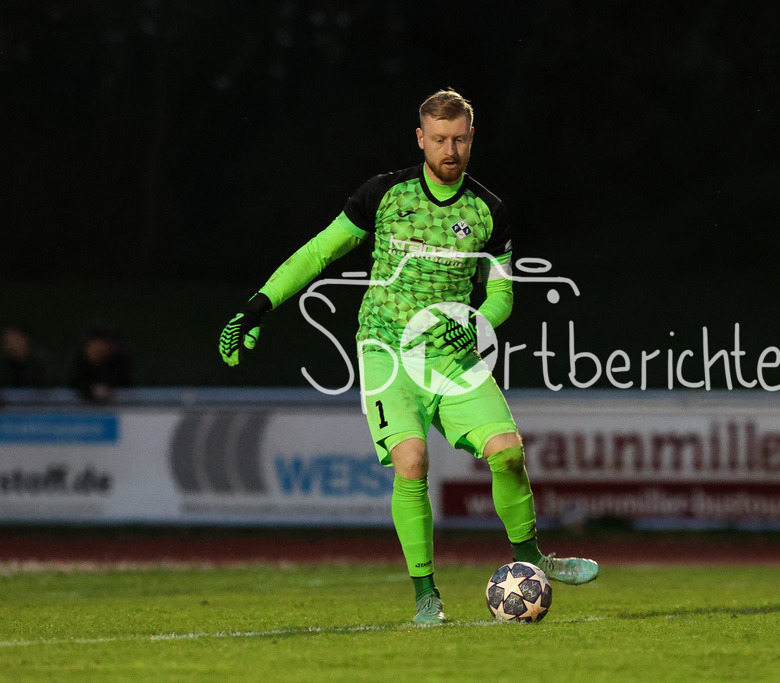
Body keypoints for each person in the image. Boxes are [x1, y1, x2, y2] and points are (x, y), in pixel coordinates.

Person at [219, 88, 598, 625]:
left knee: (509, 454)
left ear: (472, 137)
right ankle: (426, 593)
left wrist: (477, 321)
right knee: (412, 461)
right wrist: (259, 304)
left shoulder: (489, 211)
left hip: (452, 357)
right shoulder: (383, 195)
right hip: (387, 354)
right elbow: (321, 251)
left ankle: (531, 557)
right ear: (421, 139)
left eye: (459, 139)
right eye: (439, 139)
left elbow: (504, 292)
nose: (450, 149)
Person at [69, 324, 133, 404]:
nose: (95, 349)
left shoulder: (120, 361)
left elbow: (120, 379)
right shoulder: (80, 363)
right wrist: (91, 390)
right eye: (92, 345)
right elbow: (76, 382)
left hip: (121, 408)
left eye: (99, 345)